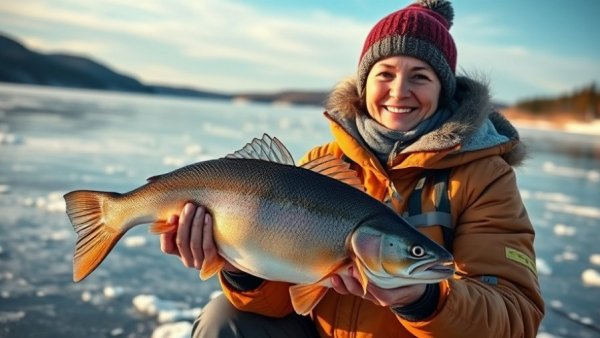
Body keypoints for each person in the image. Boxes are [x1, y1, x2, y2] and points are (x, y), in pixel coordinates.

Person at [160, 0, 545, 336]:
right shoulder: (322, 163)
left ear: (443, 89)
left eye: (421, 77)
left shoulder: (484, 178)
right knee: (223, 318)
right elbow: (280, 304)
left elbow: (515, 317)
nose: (399, 92)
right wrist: (240, 269)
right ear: (363, 84)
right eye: (385, 74)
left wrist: (423, 298)